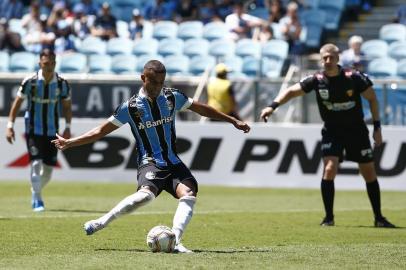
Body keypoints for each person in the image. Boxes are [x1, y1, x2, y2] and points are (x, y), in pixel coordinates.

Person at [51, 60, 250, 253]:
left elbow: (201, 108)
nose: (158, 87)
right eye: (154, 82)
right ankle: (102, 221)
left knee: (189, 194)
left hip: (173, 162)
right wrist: (71, 142)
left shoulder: (172, 97)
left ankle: (176, 241)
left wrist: (232, 120)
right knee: (145, 196)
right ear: (143, 78)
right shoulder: (130, 107)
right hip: (150, 162)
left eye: (161, 82)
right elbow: (100, 131)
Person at [260, 43, 396, 228]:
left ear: (338, 58)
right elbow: (291, 91)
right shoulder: (316, 80)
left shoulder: (353, 77)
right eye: (324, 58)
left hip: (357, 130)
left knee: (369, 173)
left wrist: (377, 127)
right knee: (329, 169)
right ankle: (328, 218)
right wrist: (272, 106)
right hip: (332, 131)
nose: (327, 61)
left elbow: (372, 98)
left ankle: (379, 218)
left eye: (331, 57)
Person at [6, 49, 72, 212]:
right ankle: (37, 199)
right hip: (33, 129)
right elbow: (17, 103)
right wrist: (10, 126)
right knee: (36, 162)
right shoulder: (31, 81)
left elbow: (67, 106)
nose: (48, 66)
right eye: (45, 63)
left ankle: (35, 190)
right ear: (39, 63)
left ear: (55, 63)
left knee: (49, 170)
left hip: (52, 130)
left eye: (51, 63)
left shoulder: (62, 83)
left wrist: (68, 127)